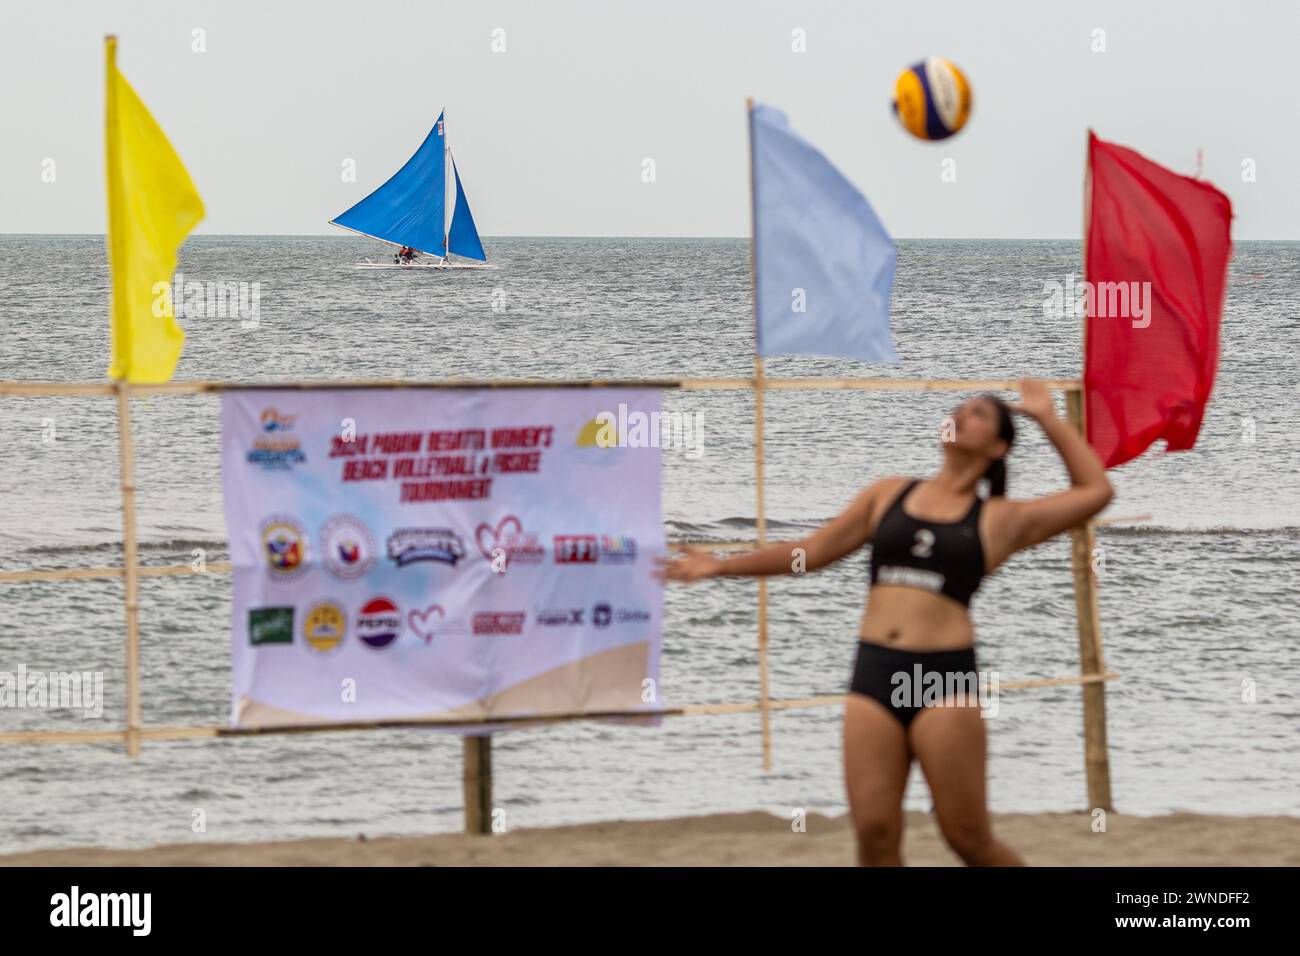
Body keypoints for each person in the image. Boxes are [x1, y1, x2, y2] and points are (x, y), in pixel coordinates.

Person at [660, 379, 1113, 866]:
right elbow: (809, 553)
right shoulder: (888, 494)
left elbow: (1095, 491)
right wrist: (721, 566)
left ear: (999, 446)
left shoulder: (1000, 519)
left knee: (966, 838)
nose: (961, 414)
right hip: (875, 669)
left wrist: (1046, 417)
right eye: (959, 407)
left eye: (978, 413)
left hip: (941, 677)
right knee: (874, 832)